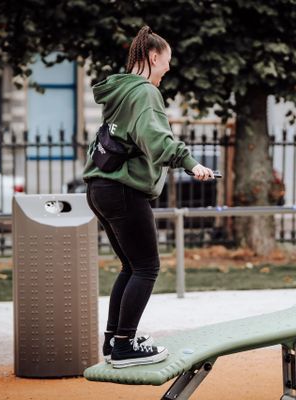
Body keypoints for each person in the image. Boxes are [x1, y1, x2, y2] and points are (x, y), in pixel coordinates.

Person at [83, 26, 215, 368]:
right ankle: (126, 346)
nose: (169, 69)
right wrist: (191, 163)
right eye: (167, 61)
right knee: (147, 267)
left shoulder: (120, 91)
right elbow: (155, 139)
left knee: (131, 266)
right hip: (124, 191)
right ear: (153, 57)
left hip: (100, 188)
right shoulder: (144, 93)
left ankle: (114, 340)